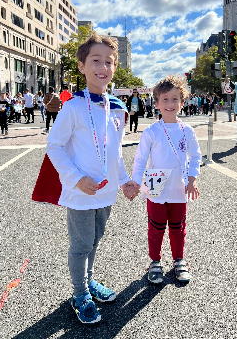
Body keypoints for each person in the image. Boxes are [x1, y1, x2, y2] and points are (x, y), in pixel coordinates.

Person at [45, 34, 139, 325]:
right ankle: (79, 293)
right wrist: (75, 179)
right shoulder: (72, 106)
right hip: (81, 191)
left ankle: (89, 282)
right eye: (95, 61)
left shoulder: (118, 109)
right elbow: (54, 146)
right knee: (81, 244)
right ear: (82, 66)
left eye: (109, 62)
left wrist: (124, 181)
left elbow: (115, 153)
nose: (103, 67)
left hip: (106, 192)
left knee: (95, 240)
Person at [132, 74, 201, 284]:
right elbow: (141, 158)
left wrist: (192, 179)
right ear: (156, 104)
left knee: (178, 226)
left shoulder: (187, 131)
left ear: (182, 102)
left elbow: (196, 155)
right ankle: (155, 261)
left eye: (174, 99)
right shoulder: (152, 131)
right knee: (155, 226)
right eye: (165, 99)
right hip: (155, 185)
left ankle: (179, 259)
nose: (170, 104)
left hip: (179, 187)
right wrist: (134, 182)